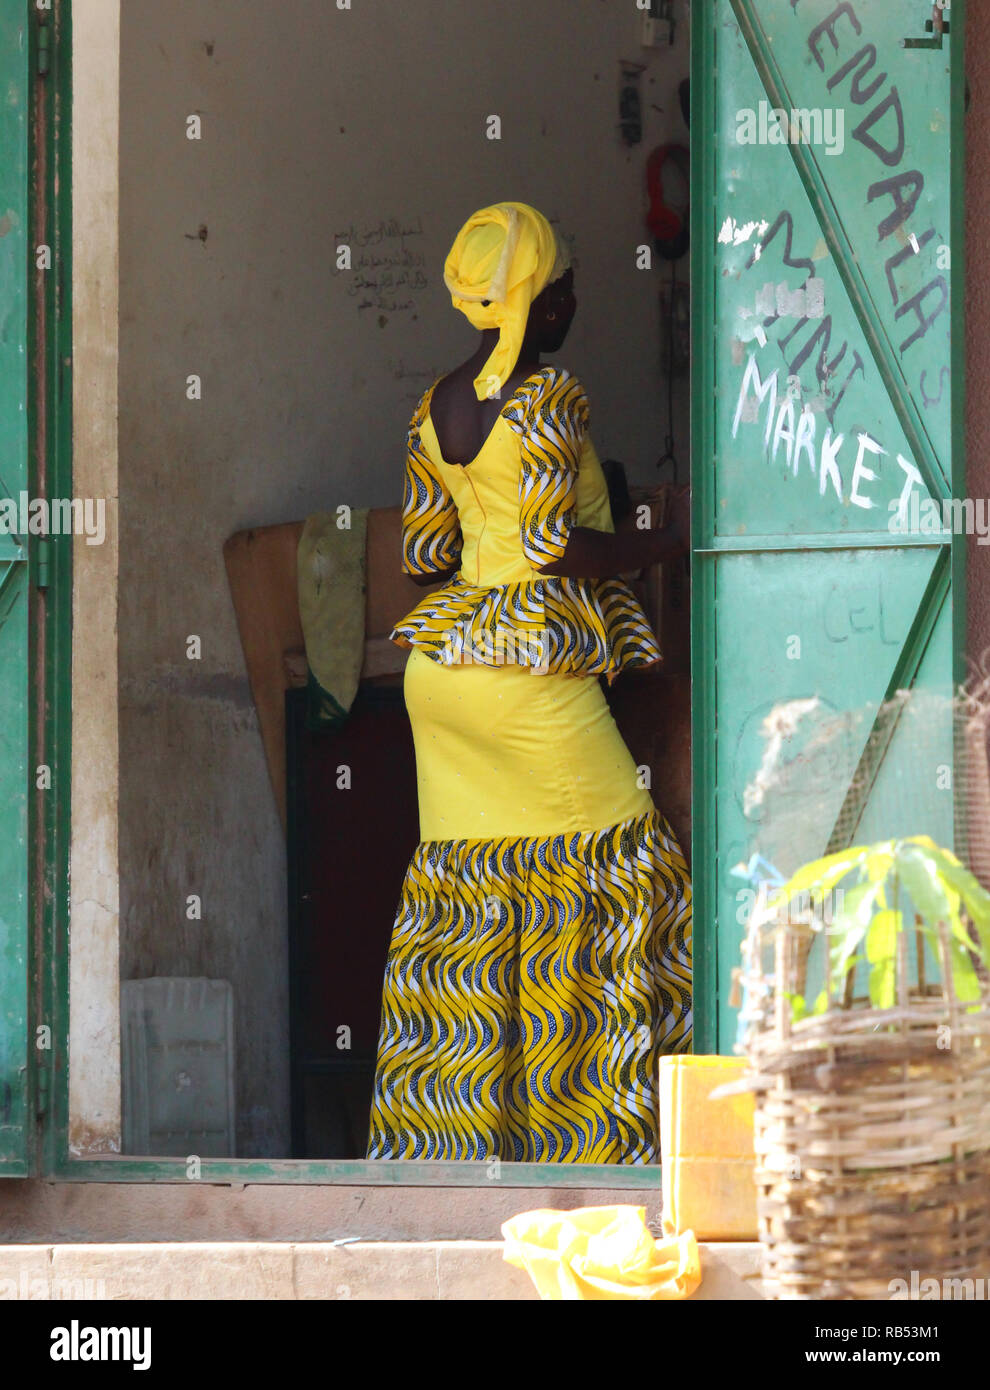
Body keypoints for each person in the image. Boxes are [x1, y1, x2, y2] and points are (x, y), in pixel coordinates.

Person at [366, 201, 692, 1164]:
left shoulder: (434, 405)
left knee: (473, 905)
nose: (576, 300)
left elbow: (429, 552)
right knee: (633, 877)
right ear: (538, 308)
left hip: (444, 669)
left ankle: (458, 1156)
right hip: (524, 675)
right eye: (564, 288)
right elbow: (554, 547)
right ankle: (609, 1144)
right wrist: (672, 536)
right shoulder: (549, 396)